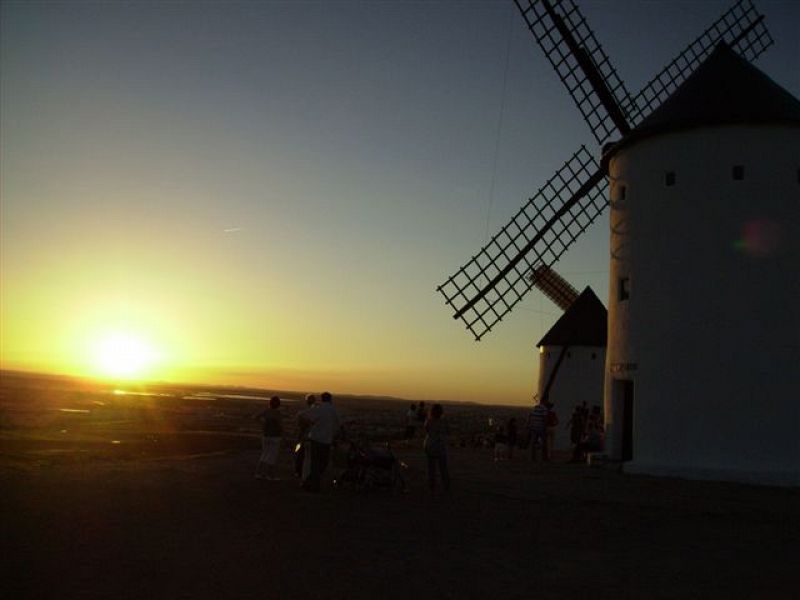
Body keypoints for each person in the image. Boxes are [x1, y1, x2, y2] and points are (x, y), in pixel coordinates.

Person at [298, 391, 341, 492]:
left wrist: (309, 423)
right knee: (322, 463)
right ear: (330, 399)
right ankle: (312, 484)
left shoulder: (319, 409)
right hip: (325, 441)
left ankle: (309, 483)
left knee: (315, 463)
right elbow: (338, 424)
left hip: (316, 439)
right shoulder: (332, 410)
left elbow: (302, 414)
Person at [254, 396, 283, 481]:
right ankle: (270, 475)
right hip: (275, 437)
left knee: (264, 454)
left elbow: (255, 417)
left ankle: (259, 473)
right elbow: (280, 426)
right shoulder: (278, 413)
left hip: (265, 436)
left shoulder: (266, 411)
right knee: (272, 457)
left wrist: (262, 424)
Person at [423, 403, 450, 492]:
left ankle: (432, 486)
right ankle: (446, 485)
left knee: (431, 468)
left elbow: (426, 431)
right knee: (443, 468)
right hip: (441, 446)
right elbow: (447, 432)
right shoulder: (444, 422)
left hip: (430, 445)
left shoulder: (428, 421)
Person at [294, 394, 317, 478]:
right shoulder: (316, 412)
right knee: (308, 455)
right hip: (312, 437)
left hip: (303, 436)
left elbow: (298, 421)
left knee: (300, 453)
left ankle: (299, 471)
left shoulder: (302, 413)